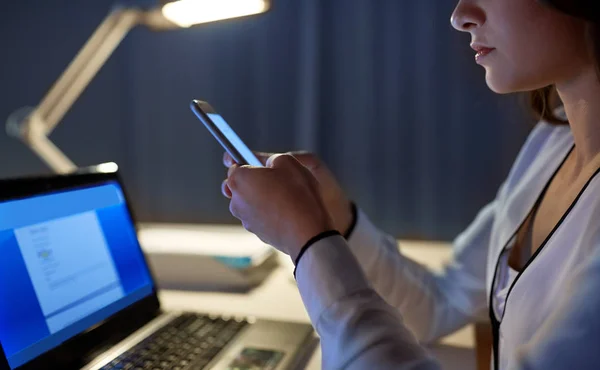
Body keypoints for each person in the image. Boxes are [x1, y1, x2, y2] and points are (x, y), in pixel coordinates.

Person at [222, 0, 600, 368]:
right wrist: (336, 219)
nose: (459, 16)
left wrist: (308, 241)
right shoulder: (552, 144)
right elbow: (440, 304)